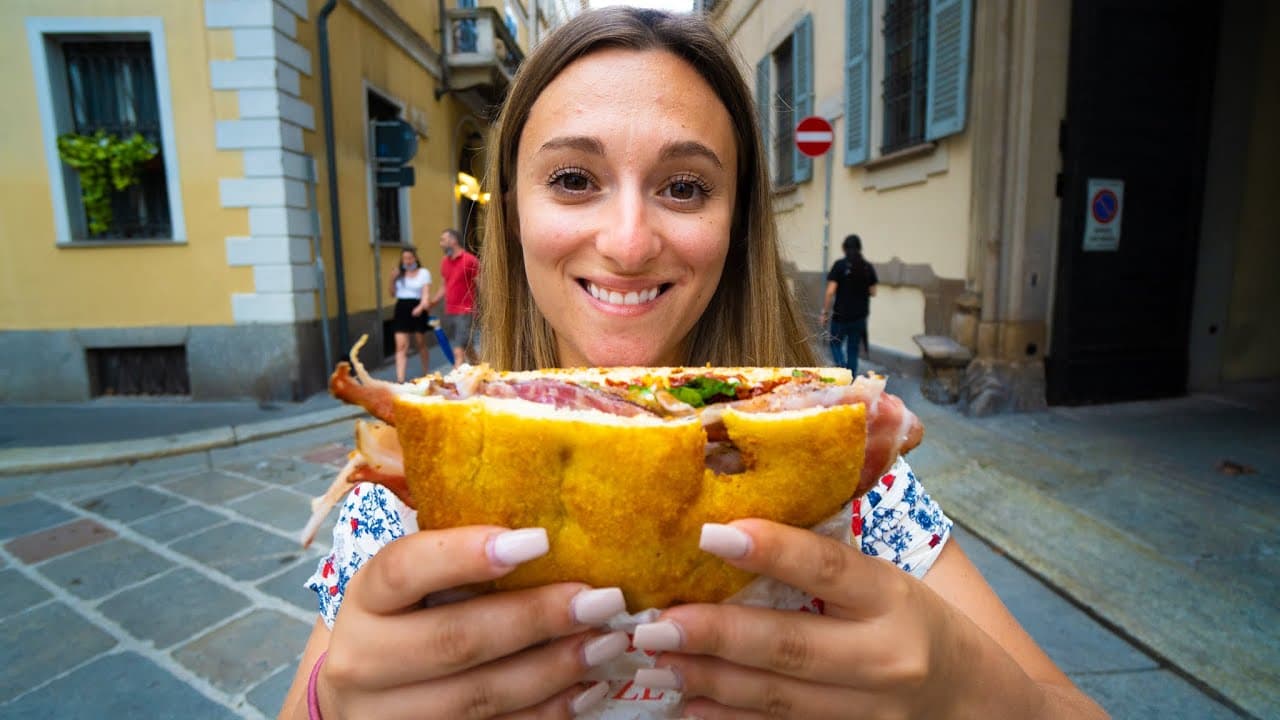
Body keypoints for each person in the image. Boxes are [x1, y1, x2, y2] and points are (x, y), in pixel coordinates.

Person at [278, 8, 1107, 719]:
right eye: (573, 178)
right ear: (514, 214)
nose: (631, 243)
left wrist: (968, 691)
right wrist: (332, 706)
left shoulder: (857, 485)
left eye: (684, 188)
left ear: (738, 224)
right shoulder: (405, 500)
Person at [820, 234, 878, 375]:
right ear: (859, 248)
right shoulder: (867, 267)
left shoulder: (840, 265)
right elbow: (873, 291)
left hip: (841, 317)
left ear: (844, 248)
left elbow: (830, 292)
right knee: (853, 350)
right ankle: (850, 379)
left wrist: (825, 313)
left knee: (835, 344)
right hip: (859, 318)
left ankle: (842, 374)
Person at [427, 228, 480, 366]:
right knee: (467, 348)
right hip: (449, 310)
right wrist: (433, 302)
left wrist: (484, 306)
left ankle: (456, 382)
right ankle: (480, 372)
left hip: (465, 311)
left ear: (453, 240)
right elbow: (444, 285)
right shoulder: (444, 261)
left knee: (458, 349)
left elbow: (482, 284)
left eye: (443, 240)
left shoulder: (470, 260)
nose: (441, 244)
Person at [388, 247, 432, 383]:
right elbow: (392, 293)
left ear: (415, 258)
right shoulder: (399, 274)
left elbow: (426, 294)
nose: (407, 261)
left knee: (420, 343)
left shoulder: (423, 273)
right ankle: (400, 379)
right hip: (402, 308)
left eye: (410, 258)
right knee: (401, 346)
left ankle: (426, 373)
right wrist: (392, 279)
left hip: (418, 307)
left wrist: (420, 307)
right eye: (405, 259)